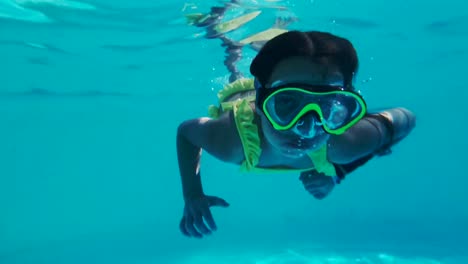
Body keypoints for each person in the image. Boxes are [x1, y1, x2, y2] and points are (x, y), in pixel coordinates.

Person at [177, 20, 416, 239]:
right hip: (243, 97)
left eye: (328, 106)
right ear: (260, 100)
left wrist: (340, 170)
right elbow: (187, 132)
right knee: (235, 68)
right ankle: (232, 47)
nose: (307, 129)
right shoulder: (232, 140)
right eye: (286, 103)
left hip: (274, 85)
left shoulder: (344, 143)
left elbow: (406, 118)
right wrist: (192, 194)